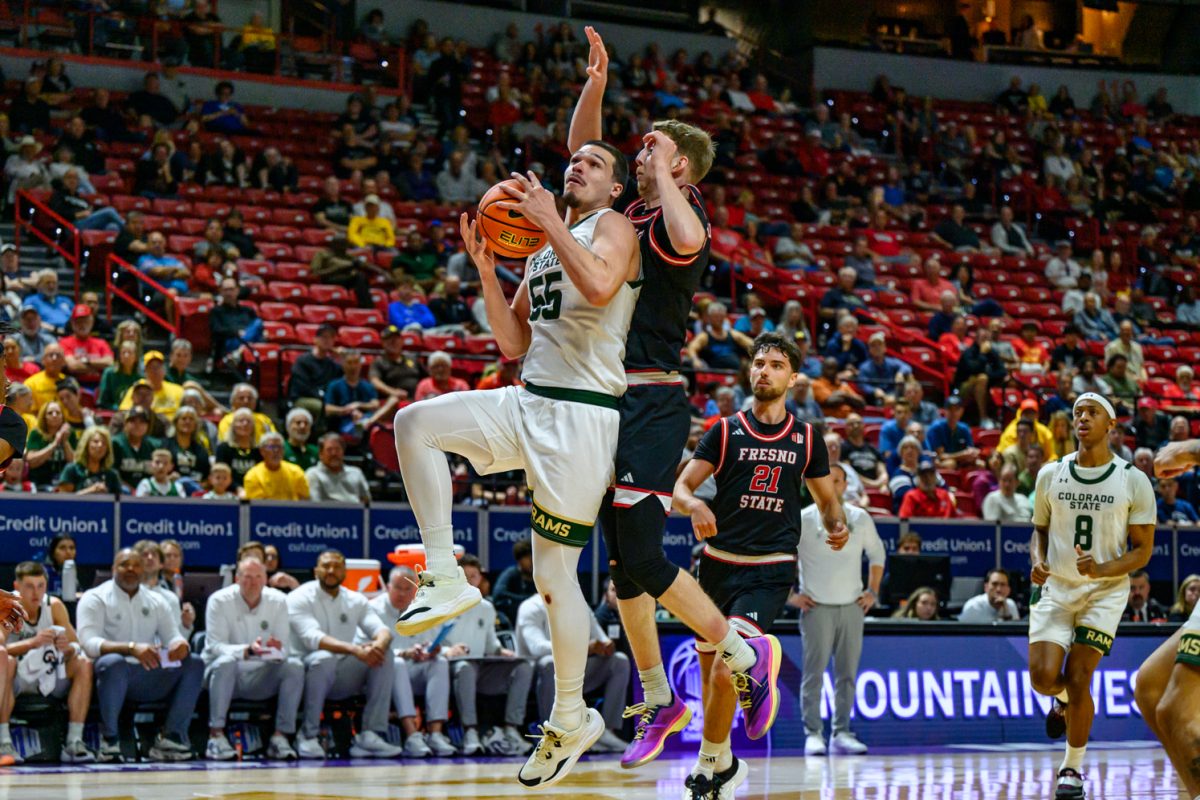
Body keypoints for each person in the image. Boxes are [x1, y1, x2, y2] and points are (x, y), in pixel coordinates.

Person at [392, 130, 642, 784]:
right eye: (574, 159)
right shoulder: (542, 245)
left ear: (615, 188)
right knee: (414, 423)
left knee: (554, 579)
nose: (578, 166)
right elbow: (511, 342)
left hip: (583, 416)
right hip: (528, 398)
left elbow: (600, 286)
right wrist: (486, 269)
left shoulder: (613, 227)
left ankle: (570, 715)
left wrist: (549, 224)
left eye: (594, 163)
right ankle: (444, 573)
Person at [673, 332, 849, 794]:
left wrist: (837, 523)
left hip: (769, 568)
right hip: (716, 566)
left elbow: (827, 502)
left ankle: (706, 767)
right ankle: (723, 764)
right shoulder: (725, 430)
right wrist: (695, 505)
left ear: (793, 378)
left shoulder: (806, 438)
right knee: (712, 679)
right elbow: (680, 489)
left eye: (775, 365)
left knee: (724, 668)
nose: (764, 371)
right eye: (758, 363)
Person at [1028, 393, 1156, 800]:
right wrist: (1038, 561)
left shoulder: (1132, 479)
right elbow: (1039, 530)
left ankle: (1072, 769)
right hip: (1057, 587)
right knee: (1043, 679)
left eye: (1092, 412)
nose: (1082, 418)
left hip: (1104, 591)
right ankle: (1064, 700)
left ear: (1110, 425)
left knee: (1081, 675)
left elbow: (1143, 551)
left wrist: (1101, 569)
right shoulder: (1051, 473)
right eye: (1078, 412)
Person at [789, 463, 882, 758]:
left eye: (837, 480)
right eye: (825, 480)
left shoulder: (860, 517)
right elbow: (783, 556)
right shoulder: (802, 519)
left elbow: (877, 554)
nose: (831, 485)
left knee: (847, 674)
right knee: (813, 674)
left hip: (852, 607)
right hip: (816, 607)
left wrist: (872, 591)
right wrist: (790, 596)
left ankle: (842, 733)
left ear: (845, 485)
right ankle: (813, 734)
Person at [76, 548, 204, 763]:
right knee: (114, 663)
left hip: (147, 673)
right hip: (108, 676)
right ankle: (109, 740)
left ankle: (171, 737)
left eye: (136, 565)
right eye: (124, 565)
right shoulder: (95, 597)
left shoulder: (156, 600)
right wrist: (130, 648)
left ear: (143, 570)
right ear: (113, 569)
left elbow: (172, 636)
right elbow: (88, 644)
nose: (131, 569)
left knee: (194, 663)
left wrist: (179, 645)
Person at [287, 550, 403, 759]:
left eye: (337, 566)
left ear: (345, 572)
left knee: (385, 655)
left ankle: (370, 735)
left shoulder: (355, 600)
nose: (331, 570)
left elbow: (382, 630)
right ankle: (307, 735)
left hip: (342, 675)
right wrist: (355, 650)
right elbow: (313, 638)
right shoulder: (299, 597)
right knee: (324, 658)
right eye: (326, 566)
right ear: (316, 570)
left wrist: (378, 645)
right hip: (305, 673)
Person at [202, 557, 302, 761]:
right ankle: (216, 737)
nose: (253, 582)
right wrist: (246, 650)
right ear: (237, 579)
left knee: (294, 666)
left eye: (258, 577)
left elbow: (286, 648)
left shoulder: (279, 600)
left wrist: (276, 650)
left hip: (260, 677)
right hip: (224, 676)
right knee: (226, 662)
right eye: (247, 577)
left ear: (265, 579)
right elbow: (215, 646)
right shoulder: (219, 600)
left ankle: (280, 738)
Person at [0, 561, 94, 763]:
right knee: (6, 660)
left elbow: (77, 646)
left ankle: (74, 741)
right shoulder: (9, 606)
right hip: (17, 677)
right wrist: (32, 643)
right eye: (29, 586)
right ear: (17, 586)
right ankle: (4, 742)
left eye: (40, 586)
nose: (36, 592)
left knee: (83, 663)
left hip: (49, 675)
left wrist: (66, 647)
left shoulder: (54, 605)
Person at [515, 591, 630, 756]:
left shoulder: (579, 603)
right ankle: (552, 734)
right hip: (536, 676)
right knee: (549, 662)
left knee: (619, 660)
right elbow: (537, 648)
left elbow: (600, 637)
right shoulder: (531, 607)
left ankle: (606, 732)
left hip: (574, 672)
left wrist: (606, 646)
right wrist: (583, 647)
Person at [443, 554, 534, 757]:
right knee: (465, 668)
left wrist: (502, 652)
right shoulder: (440, 605)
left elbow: (491, 644)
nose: (469, 580)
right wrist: (447, 651)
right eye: (464, 576)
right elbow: (430, 642)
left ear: (479, 579)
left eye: (473, 576)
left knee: (523, 667)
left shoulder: (486, 608)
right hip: (450, 668)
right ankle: (470, 732)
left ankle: (511, 729)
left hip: (482, 667)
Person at [367, 567, 457, 758]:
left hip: (414, 670)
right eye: (397, 588)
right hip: (383, 673)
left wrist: (433, 649)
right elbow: (368, 647)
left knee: (439, 662)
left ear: (415, 590)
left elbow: (435, 644)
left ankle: (435, 734)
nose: (402, 593)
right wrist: (404, 653)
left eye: (407, 589)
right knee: (397, 663)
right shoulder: (373, 609)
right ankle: (412, 735)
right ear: (388, 587)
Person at [306, 433, 371, 504]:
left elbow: (367, 502)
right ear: (320, 454)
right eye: (329, 450)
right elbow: (314, 505)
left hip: (356, 510)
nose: (334, 453)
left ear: (343, 452)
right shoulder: (313, 474)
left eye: (337, 449)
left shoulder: (356, 473)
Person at [243, 433, 310, 501]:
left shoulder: (296, 472)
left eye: (279, 447)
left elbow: (305, 499)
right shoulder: (253, 476)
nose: (276, 450)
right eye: (271, 447)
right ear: (262, 451)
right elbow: (258, 505)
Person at [925, 395, 980, 469]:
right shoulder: (937, 428)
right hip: (938, 462)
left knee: (980, 464)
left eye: (956, 409)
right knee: (950, 463)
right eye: (950, 409)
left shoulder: (964, 428)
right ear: (945, 411)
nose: (953, 413)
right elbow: (941, 456)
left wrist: (973, 453)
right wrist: (962, 455)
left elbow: (970, 449)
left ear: (962, 411)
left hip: (961, 460)